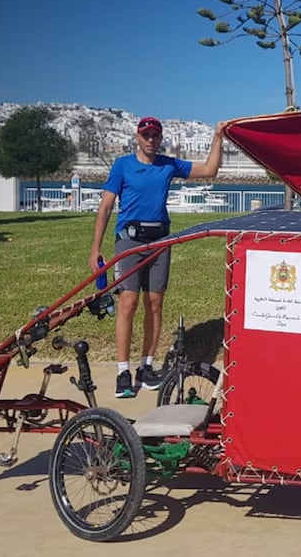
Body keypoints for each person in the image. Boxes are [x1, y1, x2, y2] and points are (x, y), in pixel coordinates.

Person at [89, 116, 230, 398]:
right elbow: (105, 208)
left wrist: (218, 136)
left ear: (160, 138)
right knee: (128, 303)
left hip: (161, 240)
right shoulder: (122, 166)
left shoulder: (168, 164)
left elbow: (210, 170)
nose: (151, 139)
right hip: (129, 240)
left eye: (155, 135)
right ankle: (122, 372)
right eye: (146, 135)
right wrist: (95, 249)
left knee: (154, 304)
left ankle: (146, 366)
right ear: (137, 138)